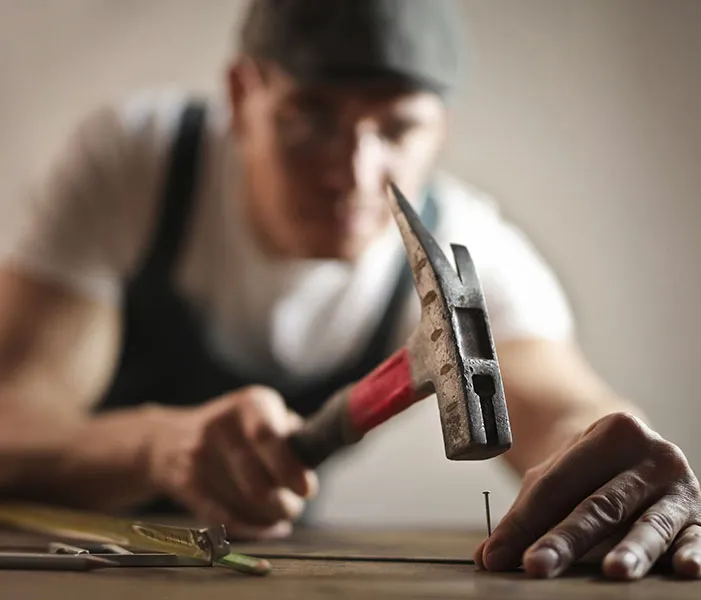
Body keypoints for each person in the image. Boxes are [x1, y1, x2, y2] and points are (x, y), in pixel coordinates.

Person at [0, 0, 698, 581]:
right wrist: (154, 445)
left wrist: (630, 470)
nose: (354, 173)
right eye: (310, 118)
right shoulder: (141, 165)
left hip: (254, 567)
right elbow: (13, 420)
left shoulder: (469, 242)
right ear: (244, 97)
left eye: (397, 128)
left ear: (439, 128)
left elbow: (565, 411)